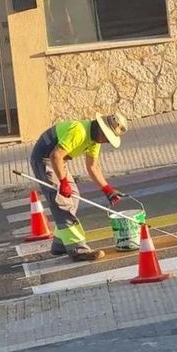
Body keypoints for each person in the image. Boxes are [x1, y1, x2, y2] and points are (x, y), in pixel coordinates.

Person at [30, 112, 128, 262]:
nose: (107, 142)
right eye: (108, 138)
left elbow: (92, 166)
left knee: (73, 197)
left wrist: (107, 189)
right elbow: (55, 156)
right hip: (45, 160)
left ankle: (60, 244)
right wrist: (63, 182)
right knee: (63, 203)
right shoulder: (79, 131)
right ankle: (78, 250)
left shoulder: (95, 140)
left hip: (58, 160)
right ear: (101, 129)